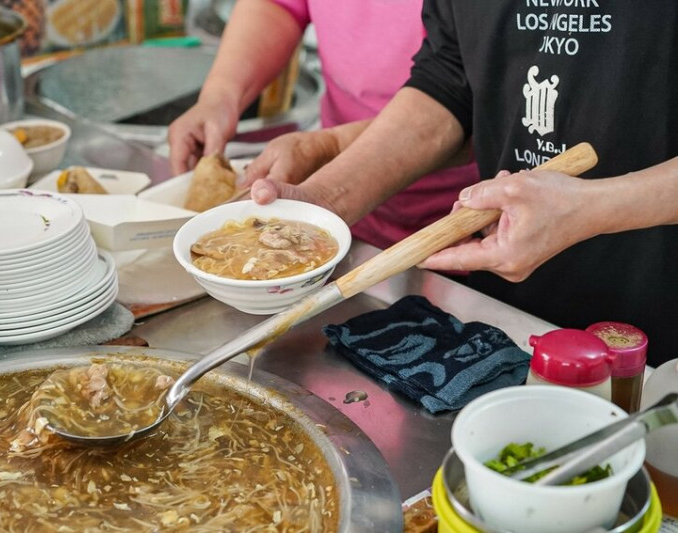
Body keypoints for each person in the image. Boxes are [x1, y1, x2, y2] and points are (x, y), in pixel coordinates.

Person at [246, 1, 678, 367]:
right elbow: (449, 80)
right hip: (506, 315)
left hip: (655, 324)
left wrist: (596, 206)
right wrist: (324, 200)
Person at [167, 0, 478, 249]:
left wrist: (327, 151)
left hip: (468, 223)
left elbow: (462, 96)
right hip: (348, 217)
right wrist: (221, 95)